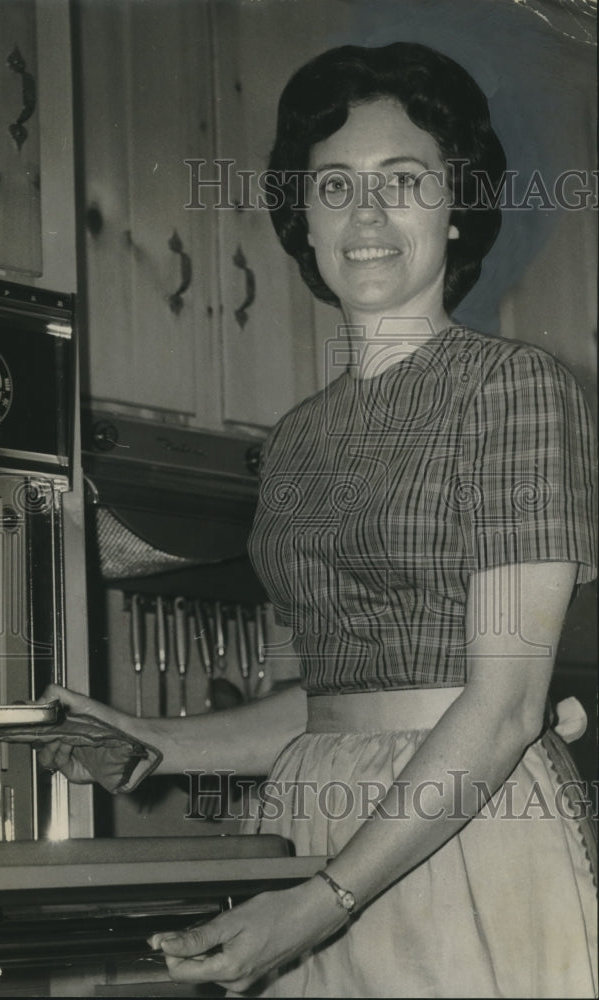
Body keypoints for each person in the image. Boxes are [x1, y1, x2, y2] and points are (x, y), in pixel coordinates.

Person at [32, 44, 597, 998]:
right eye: (333, 185)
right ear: (304, 216)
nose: (365, 215)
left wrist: (321, 899)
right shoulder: (294, 440)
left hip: (465, 830)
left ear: (456, 207)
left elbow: (501, 706)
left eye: (402, 181)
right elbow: (330, 702)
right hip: (310, 833)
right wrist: (156, 739)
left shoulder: (513, 391)